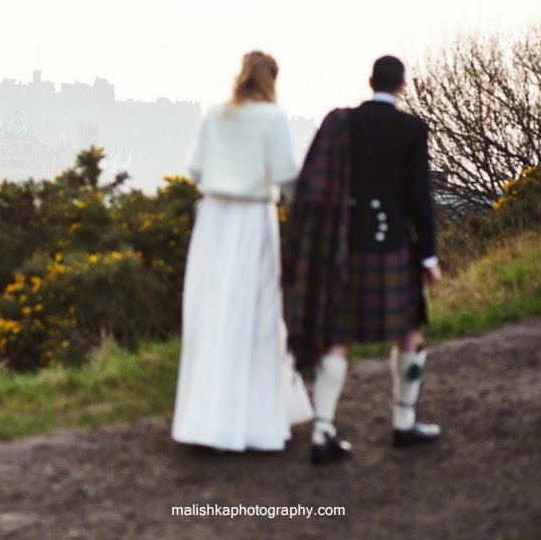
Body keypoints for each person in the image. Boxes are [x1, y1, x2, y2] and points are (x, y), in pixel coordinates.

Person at [284, 55, 443, 466]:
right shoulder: (411, 128)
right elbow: (418, 199)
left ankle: (323, 433)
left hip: (346, 248)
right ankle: (404, 426)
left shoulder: (342, 122)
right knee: (409, 332)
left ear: (369, 81)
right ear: (401, 86)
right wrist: (428, 255)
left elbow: (316, 181)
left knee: (337, 339)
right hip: (392, 246)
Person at [172, 51, 313, 452]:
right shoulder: (273, 118)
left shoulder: (216, 114)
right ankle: (254, 419)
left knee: (211, 311)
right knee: (254, 313)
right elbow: (287, 177)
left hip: (214, 218)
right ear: (273, 79)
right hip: (253, 219)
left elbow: (196, 170)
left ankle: (206, 418)